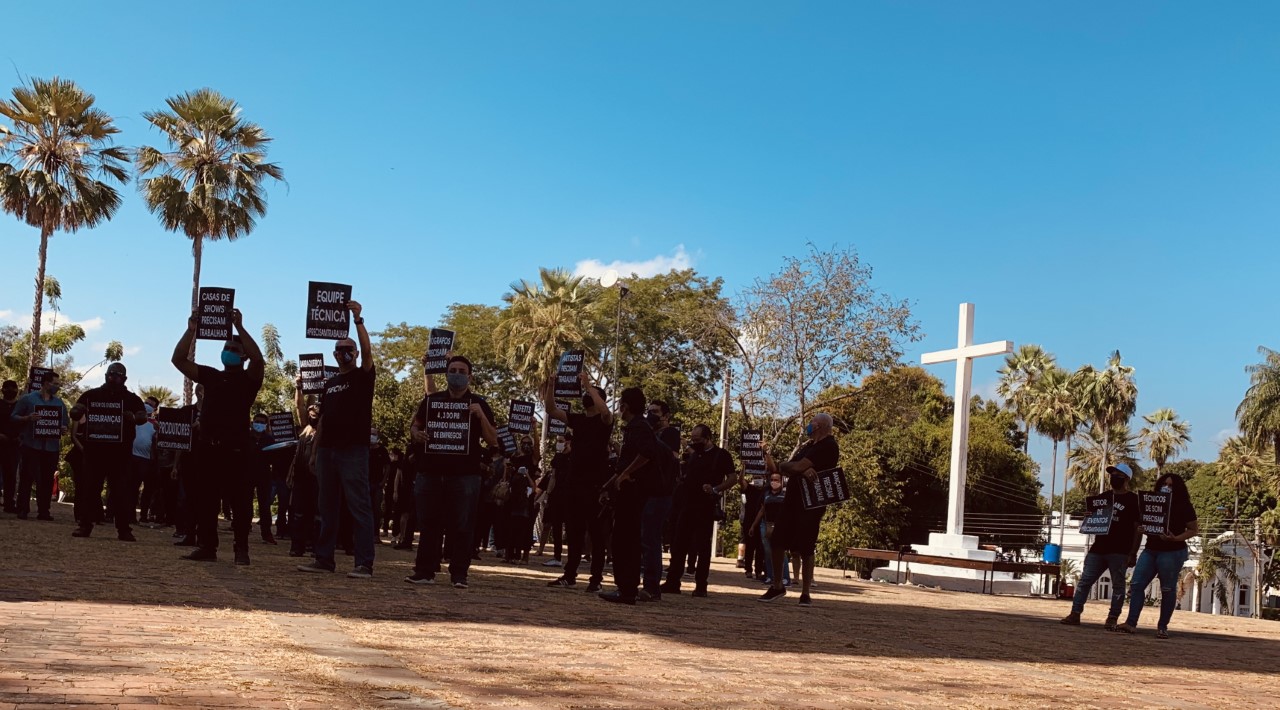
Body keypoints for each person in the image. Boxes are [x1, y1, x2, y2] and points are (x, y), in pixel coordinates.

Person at [171, 308, 265, 563]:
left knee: (241, 503)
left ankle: (241, 548)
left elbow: (259, 361)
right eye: (226, 348)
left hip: (236, 450)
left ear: (243, 355)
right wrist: (191, 330)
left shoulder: (249, 380)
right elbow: (178, 360)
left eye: (234, 350)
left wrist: (240, 328)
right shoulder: (211, 375)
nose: (229, 352)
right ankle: (207, 547)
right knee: (205, 501)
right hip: (208, 448)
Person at [297, 300, 378, 579]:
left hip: (353, 451)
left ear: (354, 353)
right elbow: (324, 421)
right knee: (326, 507)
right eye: (340, 350)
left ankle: (364, 563)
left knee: (359, 507)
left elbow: (368, 352)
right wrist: (315, 451)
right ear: (334, 355)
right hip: (328, 451)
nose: (344, 353)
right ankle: (324, 559)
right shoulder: (330, 385)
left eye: (349, 350)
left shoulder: (362, 376)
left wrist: (358, 321)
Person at [405, 354, 498, 588]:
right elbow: (415, 426)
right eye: (452, 370)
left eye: (461, 371)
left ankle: (459, 574)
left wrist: (481, 416)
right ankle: (425, 571)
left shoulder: (480, 403)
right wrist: (416, 434)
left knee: (463, 525)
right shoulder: (432, 400)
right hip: (431, 472)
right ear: (446, 374)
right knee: (428, 524)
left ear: (470, 376)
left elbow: (493, 440)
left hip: (465, 475)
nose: (456, 375)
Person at [759, 413, 839, 606]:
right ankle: (778, 585)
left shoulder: (828, 445)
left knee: (806, 546)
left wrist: (798, 468)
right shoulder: (806, 446)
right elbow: (784, 467)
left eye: (811, 422)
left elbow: (794, 467)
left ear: (819, 425)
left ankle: (805, 592)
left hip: (811, 502)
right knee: (777, 540)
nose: (808, 426)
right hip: (792, 499)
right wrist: (800, 468)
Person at [544, 376, 614, 592]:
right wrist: (551, 387)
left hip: (594, 484)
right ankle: (570, 574)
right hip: (574, 482)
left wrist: (588, 385)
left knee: (595, 533)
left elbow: (605, 412)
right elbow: (551, 410)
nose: (586, 396)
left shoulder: (604, 422)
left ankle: (596, 579)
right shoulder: (578, 420)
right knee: (574, 532)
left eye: (591, 394)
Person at [69, 363, 148, 541]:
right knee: (90, 489)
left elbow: (143, 417)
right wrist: (78, 410)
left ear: (124, 378)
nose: (113, 377)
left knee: (122, 492)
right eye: (111, 374)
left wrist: (134, 418)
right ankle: (85, 525)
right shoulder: (91, 395)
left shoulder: (131, 398)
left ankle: (124, 529)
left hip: (120, 454)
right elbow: (74, 412)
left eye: (118, 375)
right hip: (94, 451)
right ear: (105, 375)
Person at [598, 387, 660, 605]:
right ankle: (624, 587)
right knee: (621, 539)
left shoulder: (640, 427)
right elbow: (625, 462)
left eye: (621, 404)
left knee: (627, 541)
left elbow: (647, 454)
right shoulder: (632, 428)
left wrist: (626, 474)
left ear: (626, 406)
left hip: (635, 492)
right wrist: (608, 485)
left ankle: (627, 589)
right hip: (625, 490)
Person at [1060, 463, 1142, 629]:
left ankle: (1112, 617)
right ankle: (1075, 613)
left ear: (1126, 479)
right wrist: (1089, 518)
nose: (1113, 478)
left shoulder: (1134, 501)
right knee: (1084, 582)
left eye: (1118, 475)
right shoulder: (1103, 497)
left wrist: (1133, 553)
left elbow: (1137, 529)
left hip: (1120, 550)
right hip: (1098, 548)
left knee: (1118, 586)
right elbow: (1094, 519)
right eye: (1112, 474)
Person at [1119, 473, 1200, 639]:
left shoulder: (1184, 505)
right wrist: (1142, 529)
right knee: (1136, 585)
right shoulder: (1150, 502)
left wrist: (1175, 538)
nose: (1167, 487)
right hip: (1150, 549)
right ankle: (1131, 623)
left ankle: (1162, 627)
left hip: (1172, 552)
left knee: (1168, 589)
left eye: (1170, 485)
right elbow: (1143, 522)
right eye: (1164, 484)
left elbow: (1193, 529)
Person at [661, 424, 734, 597]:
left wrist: (716, 489)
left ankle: (701, 584)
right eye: (692, 440)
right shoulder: (694, 455)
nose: (694, 443)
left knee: (702, 546)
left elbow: (732, 478)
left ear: (708, 438)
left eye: (698, 440)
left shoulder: (721, 455)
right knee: (679, 544)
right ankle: (673, 581)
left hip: (705, 506)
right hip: (686, 505)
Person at [10, 371, 68, 520]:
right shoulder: (28, 399)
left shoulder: (59, 403)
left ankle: (44, 511)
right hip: (31, 445)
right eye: (55, 384)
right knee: (26, 478)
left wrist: (63, 429)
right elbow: (14, 417)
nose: (57, 386)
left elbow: (65, 424)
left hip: (51, 447)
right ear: (46, 383)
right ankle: (23, 509)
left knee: (48, 480)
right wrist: (27, 418)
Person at [640, 399, 679, 601]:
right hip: (649, 491)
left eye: (655, 412)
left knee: (652, 538)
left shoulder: (670, 433)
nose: (651, 415)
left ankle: (652, 585)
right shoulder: (651, 434)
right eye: (649, 411)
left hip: (661, 492)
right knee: (645, 538)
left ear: (666, 416)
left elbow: (672, 456)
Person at [287, 393, 321, 558]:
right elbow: (299, 406)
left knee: (317, 514)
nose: (313, 411)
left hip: (319, 478)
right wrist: (299, 388)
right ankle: (297, 546)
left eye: (316, 410)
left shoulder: (325, 430)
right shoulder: (305, 428)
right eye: (311, 410)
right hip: (301, 477)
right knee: (298, 513)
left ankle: (316, 547)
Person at [748, 470, 791, 587]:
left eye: (776, 480)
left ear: (782, 481)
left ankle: (785, 578)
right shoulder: (766, 494)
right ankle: (770, 576)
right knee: (767, 552)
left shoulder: (786, 494)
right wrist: (753, 525)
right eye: (772, 480)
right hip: (766, 525)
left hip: (781, 526)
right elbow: (762, 511)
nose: (774, 482)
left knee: (780, 552)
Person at [247, 412, 278, 545]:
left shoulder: (269, 439)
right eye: (257, 421)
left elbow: (274, 457)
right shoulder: (246, 437)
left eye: (261, 422)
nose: (258, 424)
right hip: (247, 474)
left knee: (265, 505)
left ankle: (266, 534)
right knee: (245, 503)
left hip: (264, 475)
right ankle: (244, 529)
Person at [126, 402, 157, 526]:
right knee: (133, 488)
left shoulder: (153, 426)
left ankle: (143, 515)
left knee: (146, 490)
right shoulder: (133, 424)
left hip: (147, 460)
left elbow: (156, 443)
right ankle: (132, 516)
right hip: (135, 459)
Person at [0, 379, 21, 514]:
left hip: (15, 445)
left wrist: (20, 437)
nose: (10, 391)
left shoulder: (20, 406)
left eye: (13, 388)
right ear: (2, 390)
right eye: (7, 388)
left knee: (11, 475)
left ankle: (9, 503)